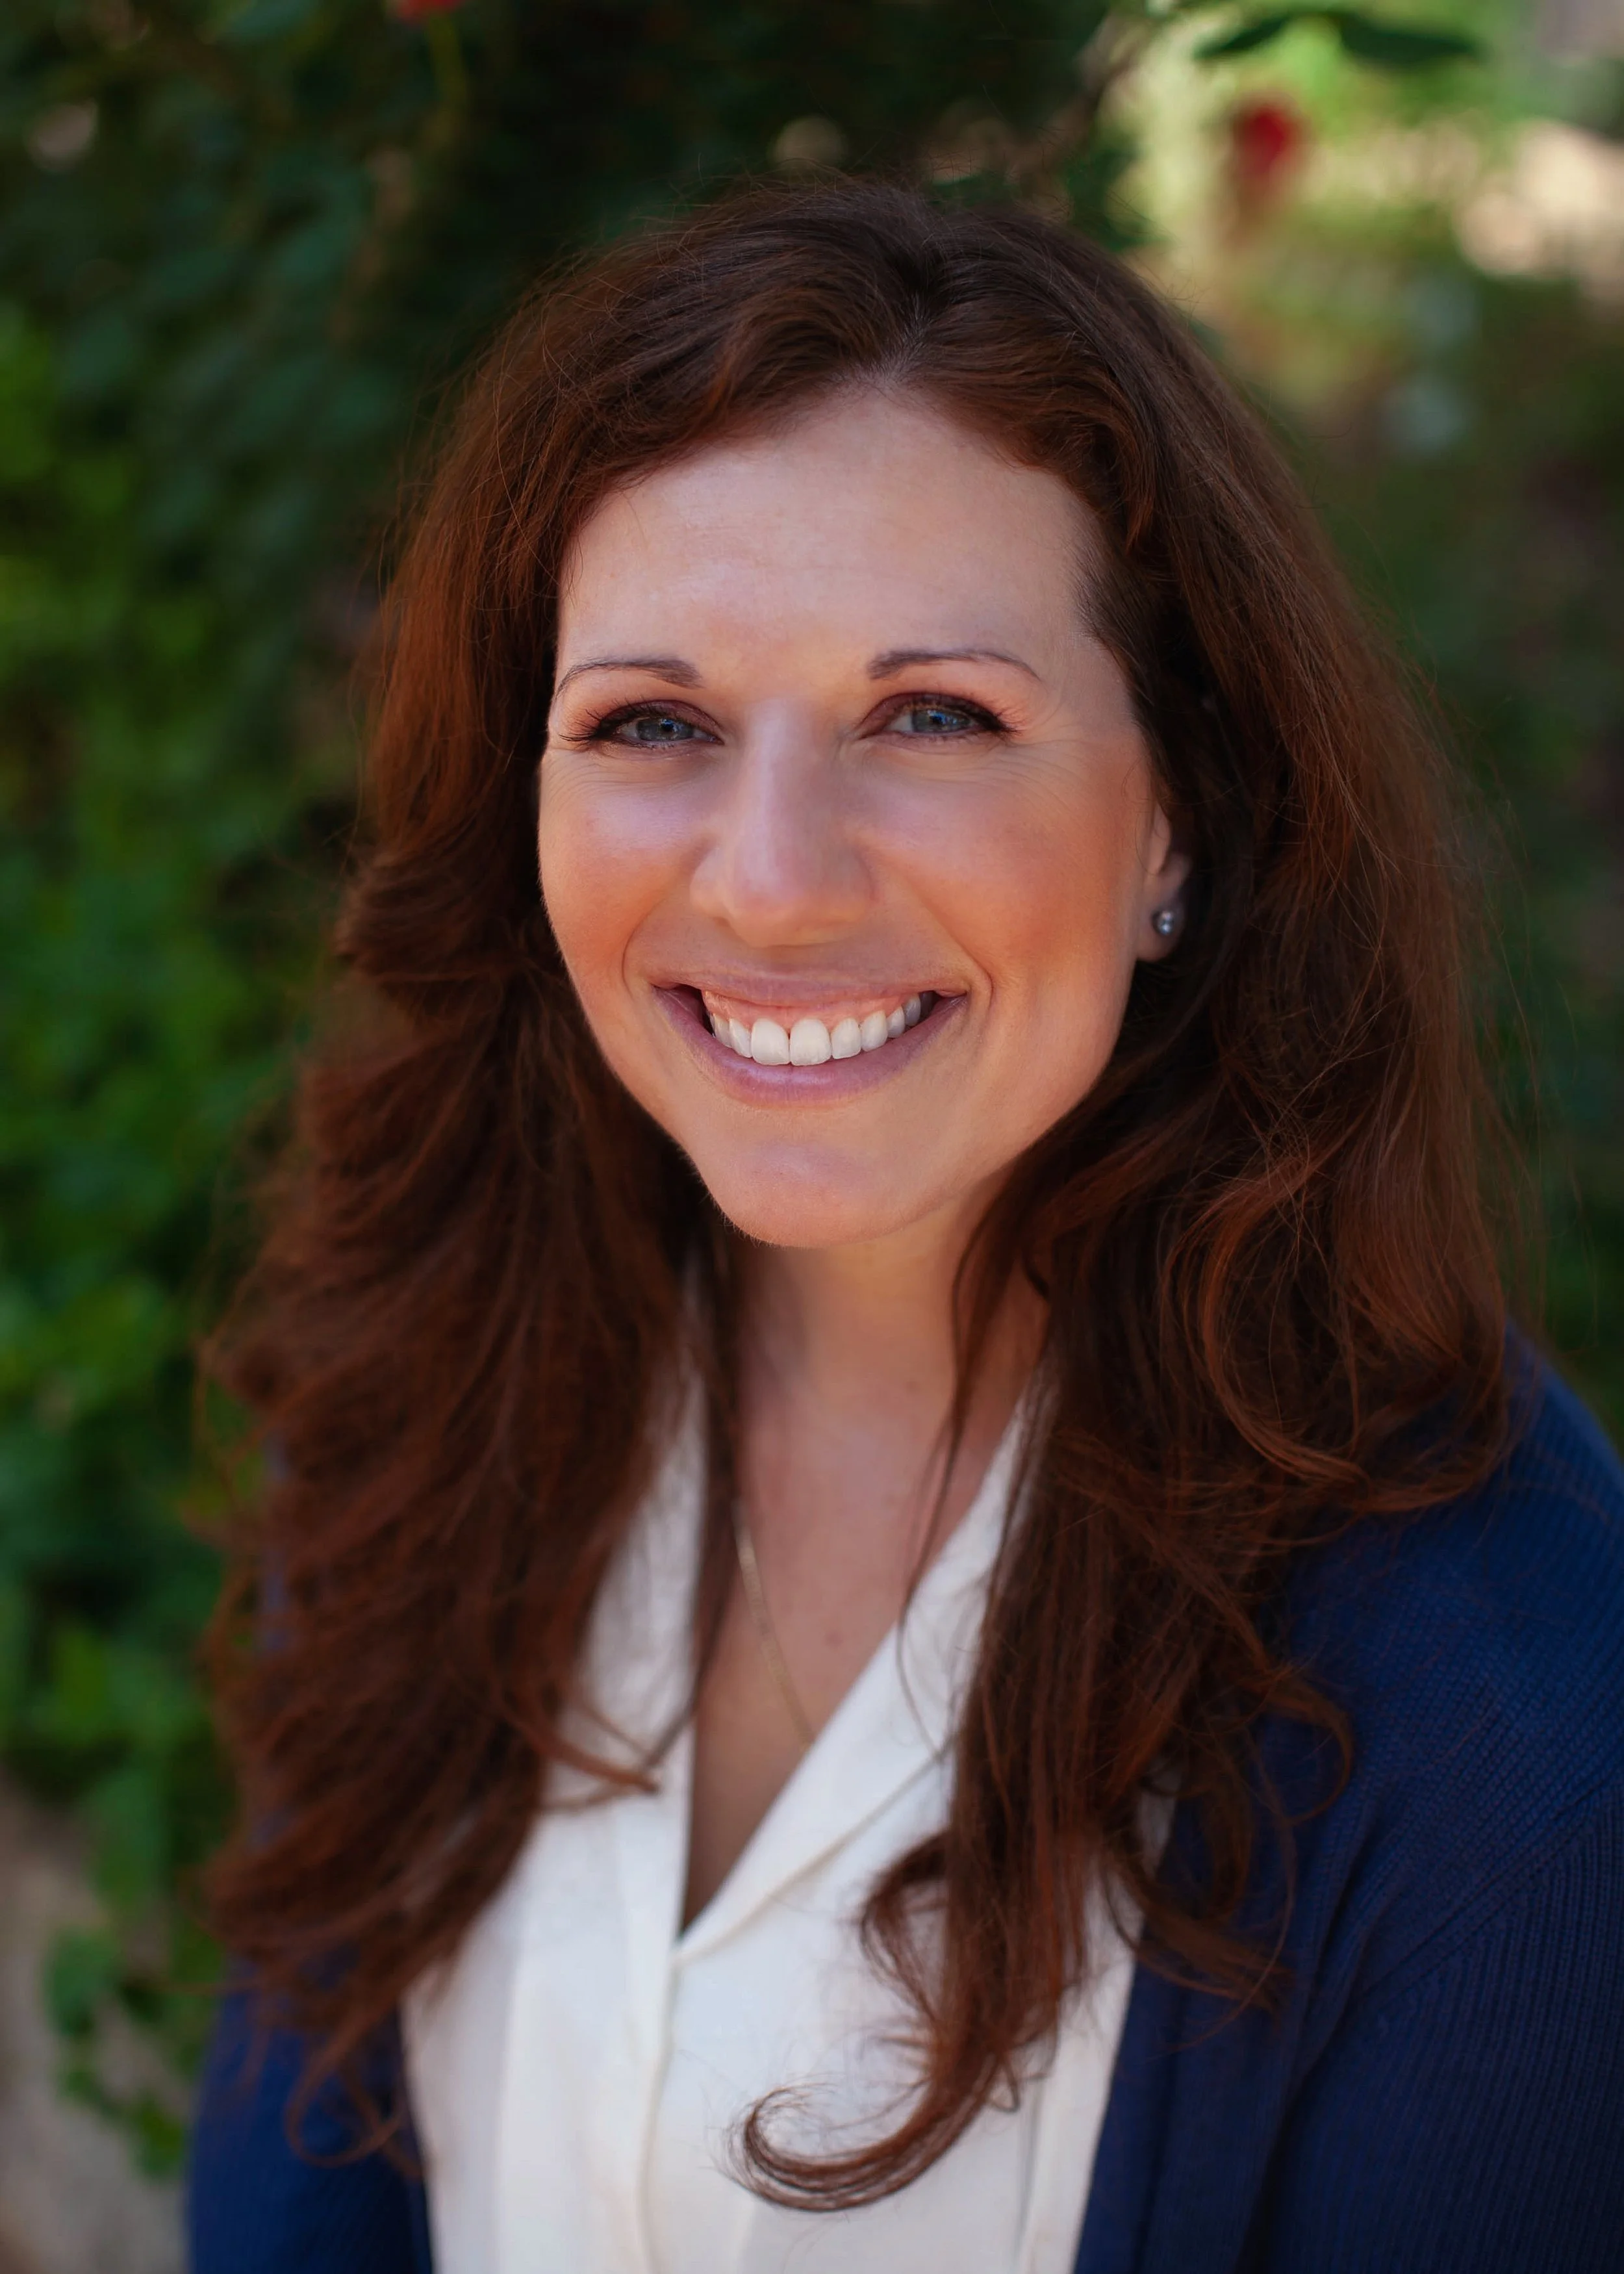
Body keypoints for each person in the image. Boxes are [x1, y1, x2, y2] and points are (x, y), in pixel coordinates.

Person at [185, 181, 1624, 2274]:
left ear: (1179, 820)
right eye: (652, 723)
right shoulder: (441, 1378)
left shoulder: (1518, 1719)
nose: (767, 880)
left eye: (932, 715)